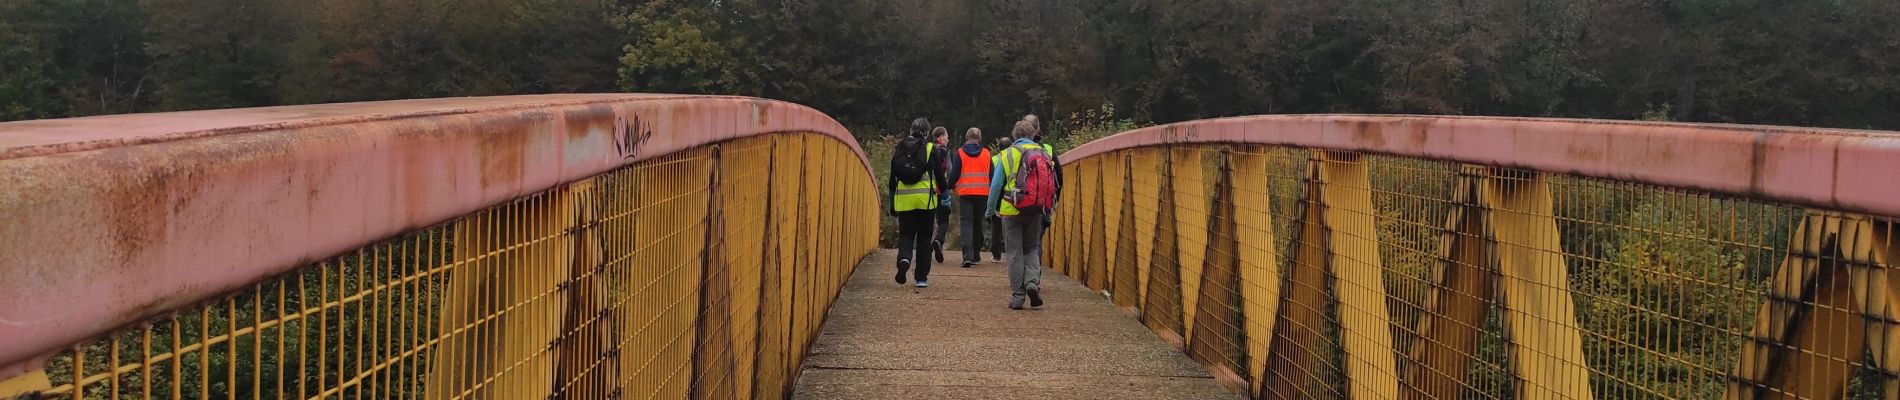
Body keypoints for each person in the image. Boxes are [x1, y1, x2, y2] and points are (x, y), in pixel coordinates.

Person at [988, 119, 1059, 309]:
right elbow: (1053, 182)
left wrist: (990, 210)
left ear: (1014, 136)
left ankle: (1018, 296)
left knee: (1014, 252)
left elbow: (996, 185)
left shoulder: (1007, 154)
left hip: (1011, 209)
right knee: (1031, 249)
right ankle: (1032, 283)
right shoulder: (1043, 152)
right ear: (1033, 135)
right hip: (1035, 208)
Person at [889, 118, 950, 288]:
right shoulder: (930, 148)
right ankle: (921, 278)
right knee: (924, 238)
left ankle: (904, 259)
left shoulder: (900, 146)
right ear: (927, 132)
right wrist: (945, 197)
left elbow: (892, 177)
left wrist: (892, 201)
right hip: (925, 201)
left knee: (906, 235)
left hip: (904, 200)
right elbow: (939, 176)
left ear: (911, 129)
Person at [947, 127, 992, 267]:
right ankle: (976, 255)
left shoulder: (960, 153)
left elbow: (954, 174)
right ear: (979, 138)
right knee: (978, 223)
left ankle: (967, 255)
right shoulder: (986, 153)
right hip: (983, 193)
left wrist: (948, 187)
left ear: (967, 138)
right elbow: (992, 175)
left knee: (966, 223)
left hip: (965, 193)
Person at [929, 126, 953, 264]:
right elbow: (950, 171)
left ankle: (926, 249)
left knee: (928, 221)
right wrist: (949, 187)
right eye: (946, 136)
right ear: (940, 137)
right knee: (943, 220)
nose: (948, 139)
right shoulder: (944, 151)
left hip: (927, 191)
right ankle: (938, 240)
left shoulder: (927, 150)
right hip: (941, 190)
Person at [988, 136, 1010, 263]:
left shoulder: (994, 160)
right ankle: (1010, 253)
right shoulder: (1014, 158)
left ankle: (996, 255)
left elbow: (993, 181)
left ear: (999, 148)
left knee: (996, 227)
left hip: (997, 196)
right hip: (1010, 196)